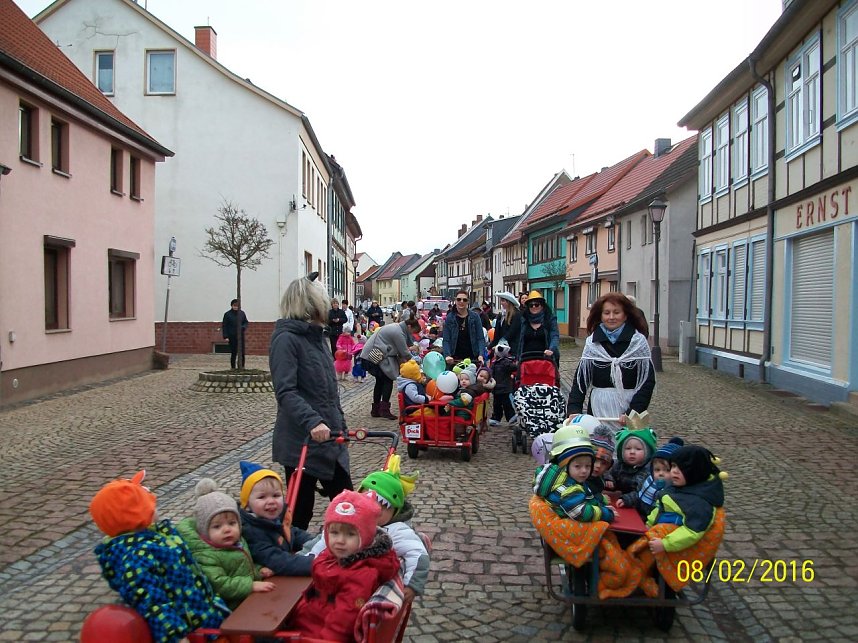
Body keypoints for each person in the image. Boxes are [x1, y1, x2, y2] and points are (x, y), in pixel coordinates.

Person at [89, 471, 228, 642]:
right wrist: (175, 635)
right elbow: (153, 603)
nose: (155, 505)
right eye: (150, 504)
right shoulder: (135, 557)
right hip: (192, 629)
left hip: (206, 615)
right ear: (137, 515)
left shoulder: (157, 536)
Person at [270, 275, 353, 530]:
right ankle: (293, 562)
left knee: (347, 505)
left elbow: (327, 391)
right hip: (301, 442)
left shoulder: (317, 337)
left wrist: (341, 424)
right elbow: (286, 391)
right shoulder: (286, 340)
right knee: (299, 515)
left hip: (330, 438)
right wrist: (313, 421)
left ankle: (346, 559)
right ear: (310, 304)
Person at [287, 490, 400, 642]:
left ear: (366, 536)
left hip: (317, 633)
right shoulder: (334, 555)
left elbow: (343, 619)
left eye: (350, 534)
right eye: (334, 532)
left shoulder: (360, 574)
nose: (340, 540)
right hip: (308, 618)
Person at [308, 470, 430, 602]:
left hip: (363, 589)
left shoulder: (397, 531)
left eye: (383, 505)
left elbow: (418, 554)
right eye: (368, 499)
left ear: (395, 511)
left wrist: (411, 585)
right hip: (337, 577)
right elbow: (323, 541)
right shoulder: (353, 521)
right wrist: (306, 559)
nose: (375, 508)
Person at [176, 478, 275, 610]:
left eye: (232, 523)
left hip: (248, 601)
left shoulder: (236, 542)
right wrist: (250, 585)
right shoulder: (206, 555)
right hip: (229, 609)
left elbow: (241, 568)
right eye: (217, 526)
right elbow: (220, 585)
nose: (227, 529)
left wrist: (258, 571)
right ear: (204, 531)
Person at [566, 292, 655, 430]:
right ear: (600, 316)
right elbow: (580, 380)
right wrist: (574, 409)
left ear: (625, 315)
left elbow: (647, 381)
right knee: (600, 448)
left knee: (629, 449)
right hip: (599, 408)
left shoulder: (638, 343)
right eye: (606, 313)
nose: (611, 317)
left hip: (629, 407)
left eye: (616, 312)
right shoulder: (592, 344)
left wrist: (634, 411)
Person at [646, 445, 726, 555]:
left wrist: (666, 544)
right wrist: (648, 524)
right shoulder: (676, 487)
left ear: (696, 471)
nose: (674, 471)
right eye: (673, 466)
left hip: (676, 550)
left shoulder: (700, 502)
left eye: (681, 468)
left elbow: (692, 530)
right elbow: (660, 508)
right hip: (657, 536)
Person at [237, 461, 315, 574]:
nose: (271, 501)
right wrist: (317, 563)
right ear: (247, 504)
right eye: (262, 497)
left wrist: (319, 543)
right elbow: (280, 561)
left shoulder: (278, 518)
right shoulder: (251, 531)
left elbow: (294, 534)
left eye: (276, 495)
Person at [532, 424, 614, 523]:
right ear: (564, 465)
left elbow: (587, 494)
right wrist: (605, 513)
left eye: (588, 466)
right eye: (577, 466)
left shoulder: (572, 479)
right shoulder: (567, 488)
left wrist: (600, 500)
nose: (584, 471)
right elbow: (581, 513)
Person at [361, 317, 422, 420]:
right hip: (375, 356)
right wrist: (417, 361)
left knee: (380, 382)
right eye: (413, 331)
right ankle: (384, 410)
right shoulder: (398, 332)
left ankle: (376, 409)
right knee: (388, 380)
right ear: (409, 326)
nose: (412, 334)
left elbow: (408, 342)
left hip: (372, 355)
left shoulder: (398, 328)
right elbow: (404, 352)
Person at [612, 427, 658, 510]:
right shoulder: (619, 465)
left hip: (640, 506)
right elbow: (611, 474)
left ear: (647, 452)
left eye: (638, 449)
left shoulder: (648, 471)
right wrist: (609, 481)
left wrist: (627, 499)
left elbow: (641, 492)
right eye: (628, 448)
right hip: (619, 500)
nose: (632, 452)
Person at [637, 437, 684, 517]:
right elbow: (637, 493)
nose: (661, 473)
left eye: (667, 470)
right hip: (638, 513)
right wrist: (628, 499)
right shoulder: (649, 480)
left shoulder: (673, 492)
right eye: (657, 469)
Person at [442, 290, 486, 366]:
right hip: (455, 358)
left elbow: (480, 338)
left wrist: (481, 355)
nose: (461, 302)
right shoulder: (450, 318)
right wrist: (447, 355)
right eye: (459, 299)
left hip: (472, 358)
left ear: (468, 302)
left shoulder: (475, 317)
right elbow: (446, 339)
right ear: (455, 300)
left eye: (464, 300)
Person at [516, 291, 560, 366]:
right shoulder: (524, 320)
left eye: (536, 304)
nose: (534, 307)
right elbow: (519, 340)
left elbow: (554, 335)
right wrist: (517, 358)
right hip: (526, 360)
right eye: (531, 305)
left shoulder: (549, 319)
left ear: (542, 306)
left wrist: (551, 349)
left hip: (545, 359)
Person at [488, 339, 517, 426]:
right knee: (497, 405)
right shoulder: (494, 362)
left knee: (506, 403)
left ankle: (511, 416)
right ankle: (496, 418)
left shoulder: (506, 362)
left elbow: (514, 367)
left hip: (504, 388)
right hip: (496, 388)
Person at [222, 298, 249, 370]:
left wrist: (243, 327)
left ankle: (242, 366)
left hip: (240, 336)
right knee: (233, 352)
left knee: (242, 352)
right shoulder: (227, 314)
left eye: (237, 305)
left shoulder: (242, 313)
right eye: (234, 305)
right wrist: (226, 336)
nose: (236, 307)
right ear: (232, 305)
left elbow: (246, 322)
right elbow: (224, 325)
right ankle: (233, 367)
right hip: (232, 336)